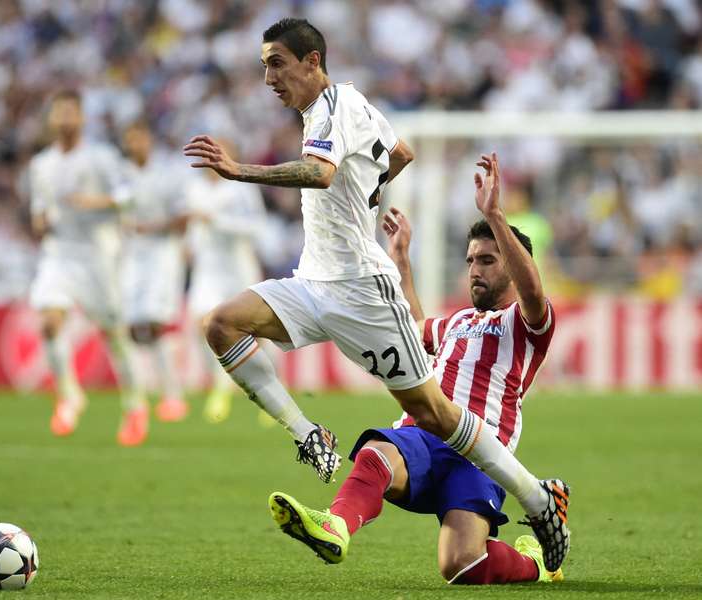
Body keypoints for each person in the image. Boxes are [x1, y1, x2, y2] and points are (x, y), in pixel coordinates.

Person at [183, 20, 568, 570]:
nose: (268, 77)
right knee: (220, 324)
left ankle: (537, 501)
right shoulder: (345, 108)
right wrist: (365, 194)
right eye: (264, 64)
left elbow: (319, 175)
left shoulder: (337, 106)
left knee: (432, 414)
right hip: (315, 280)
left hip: (362, 289)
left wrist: (238, 170)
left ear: (312, 61)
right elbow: (402, 153)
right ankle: (308, 435)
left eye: (276, 62)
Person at [268, 153, 568, 584]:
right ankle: (335, 525)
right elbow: (410, 330)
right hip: (426, 435)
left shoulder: (526, 324)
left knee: (461, 564)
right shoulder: (459, 321)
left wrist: (496, 216)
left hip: (482, 456)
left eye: (487, 260)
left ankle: (534, 565)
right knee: (377, 452)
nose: (474, 270)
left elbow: (534, 292)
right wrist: (402, 260)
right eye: (470, 261)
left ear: (513, 261)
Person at [27, 89, 145, 443]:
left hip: (98, 255)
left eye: (70, 113)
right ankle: (69, 395)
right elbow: (39, 210)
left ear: (81, 118)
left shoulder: (101, 157)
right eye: (58, 113)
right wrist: (40, 223)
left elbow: (131, 195)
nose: (64, 120)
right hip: (59, 253)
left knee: (114, 334)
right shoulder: (41, 165)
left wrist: (97, 202)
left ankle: (135, 404)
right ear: (51, 119)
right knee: (49, 322)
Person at [184, 144, 268, 424]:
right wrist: (189, 246)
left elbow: (256, 226)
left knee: (257, 333)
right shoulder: (195, 189)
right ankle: (221, 387)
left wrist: (217, 221)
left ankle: (269, 389)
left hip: (238, 266)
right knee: (202, 323)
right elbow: (194, 226)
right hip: (208, 268)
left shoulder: (242, 187)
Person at [120, 121, 191, 426]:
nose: (135, 145)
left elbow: (184, 218)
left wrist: (154, 227)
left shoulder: (168, 173)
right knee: (133, 328)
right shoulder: (119, 175)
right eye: (130, 140)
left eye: (140, 138)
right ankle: (140, 394)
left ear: (148, 140)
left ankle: (172, 396)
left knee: (155, 321)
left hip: (162, 254)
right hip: (130, 256)